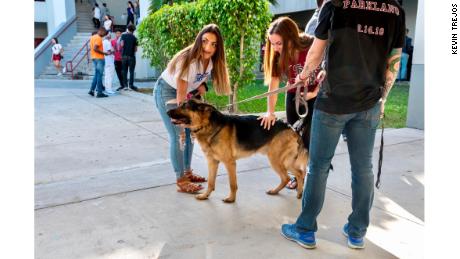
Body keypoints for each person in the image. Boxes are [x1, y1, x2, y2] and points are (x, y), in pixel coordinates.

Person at [280, 0, 406, 250]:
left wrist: (302, 79)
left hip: (333, 102)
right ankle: (357, 232)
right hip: (369, 102)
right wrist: (383, 100)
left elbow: (315, 53)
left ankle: (305, 230)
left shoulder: (335, 4)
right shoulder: (396, 10)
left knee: (318, 166)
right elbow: (394, 62)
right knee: (363, 168)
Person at [153, 24, 232, 193]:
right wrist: (183, 121)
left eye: (213, 44)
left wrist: (202, 86)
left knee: (190, 135)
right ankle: (181, 179)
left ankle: (187, 172)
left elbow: (197, 82)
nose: (208, 47)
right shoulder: (189, 61)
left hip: (184, 93)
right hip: (166, 92)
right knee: (179, 135)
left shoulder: (210, 62)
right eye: (205, 41)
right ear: (199, 41)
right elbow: (181, 97)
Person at [258, 17, 325, 190]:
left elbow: (328, 66)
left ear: (290, 37)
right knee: (295, 139)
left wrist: (316, 91)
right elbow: (273, 84)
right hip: (293, 96)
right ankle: (298, 176)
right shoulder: (277, 55)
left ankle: (312, 175)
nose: (276, 48)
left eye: (279, 43)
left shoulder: (310, 43)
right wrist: (270, 112)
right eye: (272, 44)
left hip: (316, 96)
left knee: (312, 138)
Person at [88, 27, 110, 98]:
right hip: (99, 58)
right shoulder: (98, 38)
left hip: (94, 58)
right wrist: (104, 53)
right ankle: (99, 93)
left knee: (96, 75)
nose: (104, 35)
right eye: (104, 33)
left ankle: (91, 90)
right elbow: (95, 48)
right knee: (99, 76)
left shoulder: (92, 37)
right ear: (101, 31)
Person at [118, 24, 138, 91]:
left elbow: (121, 44)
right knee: (131, 71)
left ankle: (125, 86)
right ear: (133, 30)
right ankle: (131, 85)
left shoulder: (123, 36)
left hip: (124, 56)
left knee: (124, 71)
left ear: (127, 29)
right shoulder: (135, 38)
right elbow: (136, 49)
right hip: (131, 56)